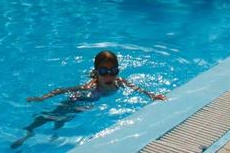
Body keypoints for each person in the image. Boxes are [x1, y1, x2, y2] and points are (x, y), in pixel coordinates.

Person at [12, 50, 165, 148]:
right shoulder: (91, 86)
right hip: (80, 100)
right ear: (96, 72)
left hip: (87, 105)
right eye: (104, 71)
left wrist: (151, 95)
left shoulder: (120, 81)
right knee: (53, 114)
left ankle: (51, 133)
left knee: (63, 119)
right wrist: (42, 98)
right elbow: (64, 90)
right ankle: (29, 131)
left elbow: (137, 88)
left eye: (113, 71)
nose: (109, 75)